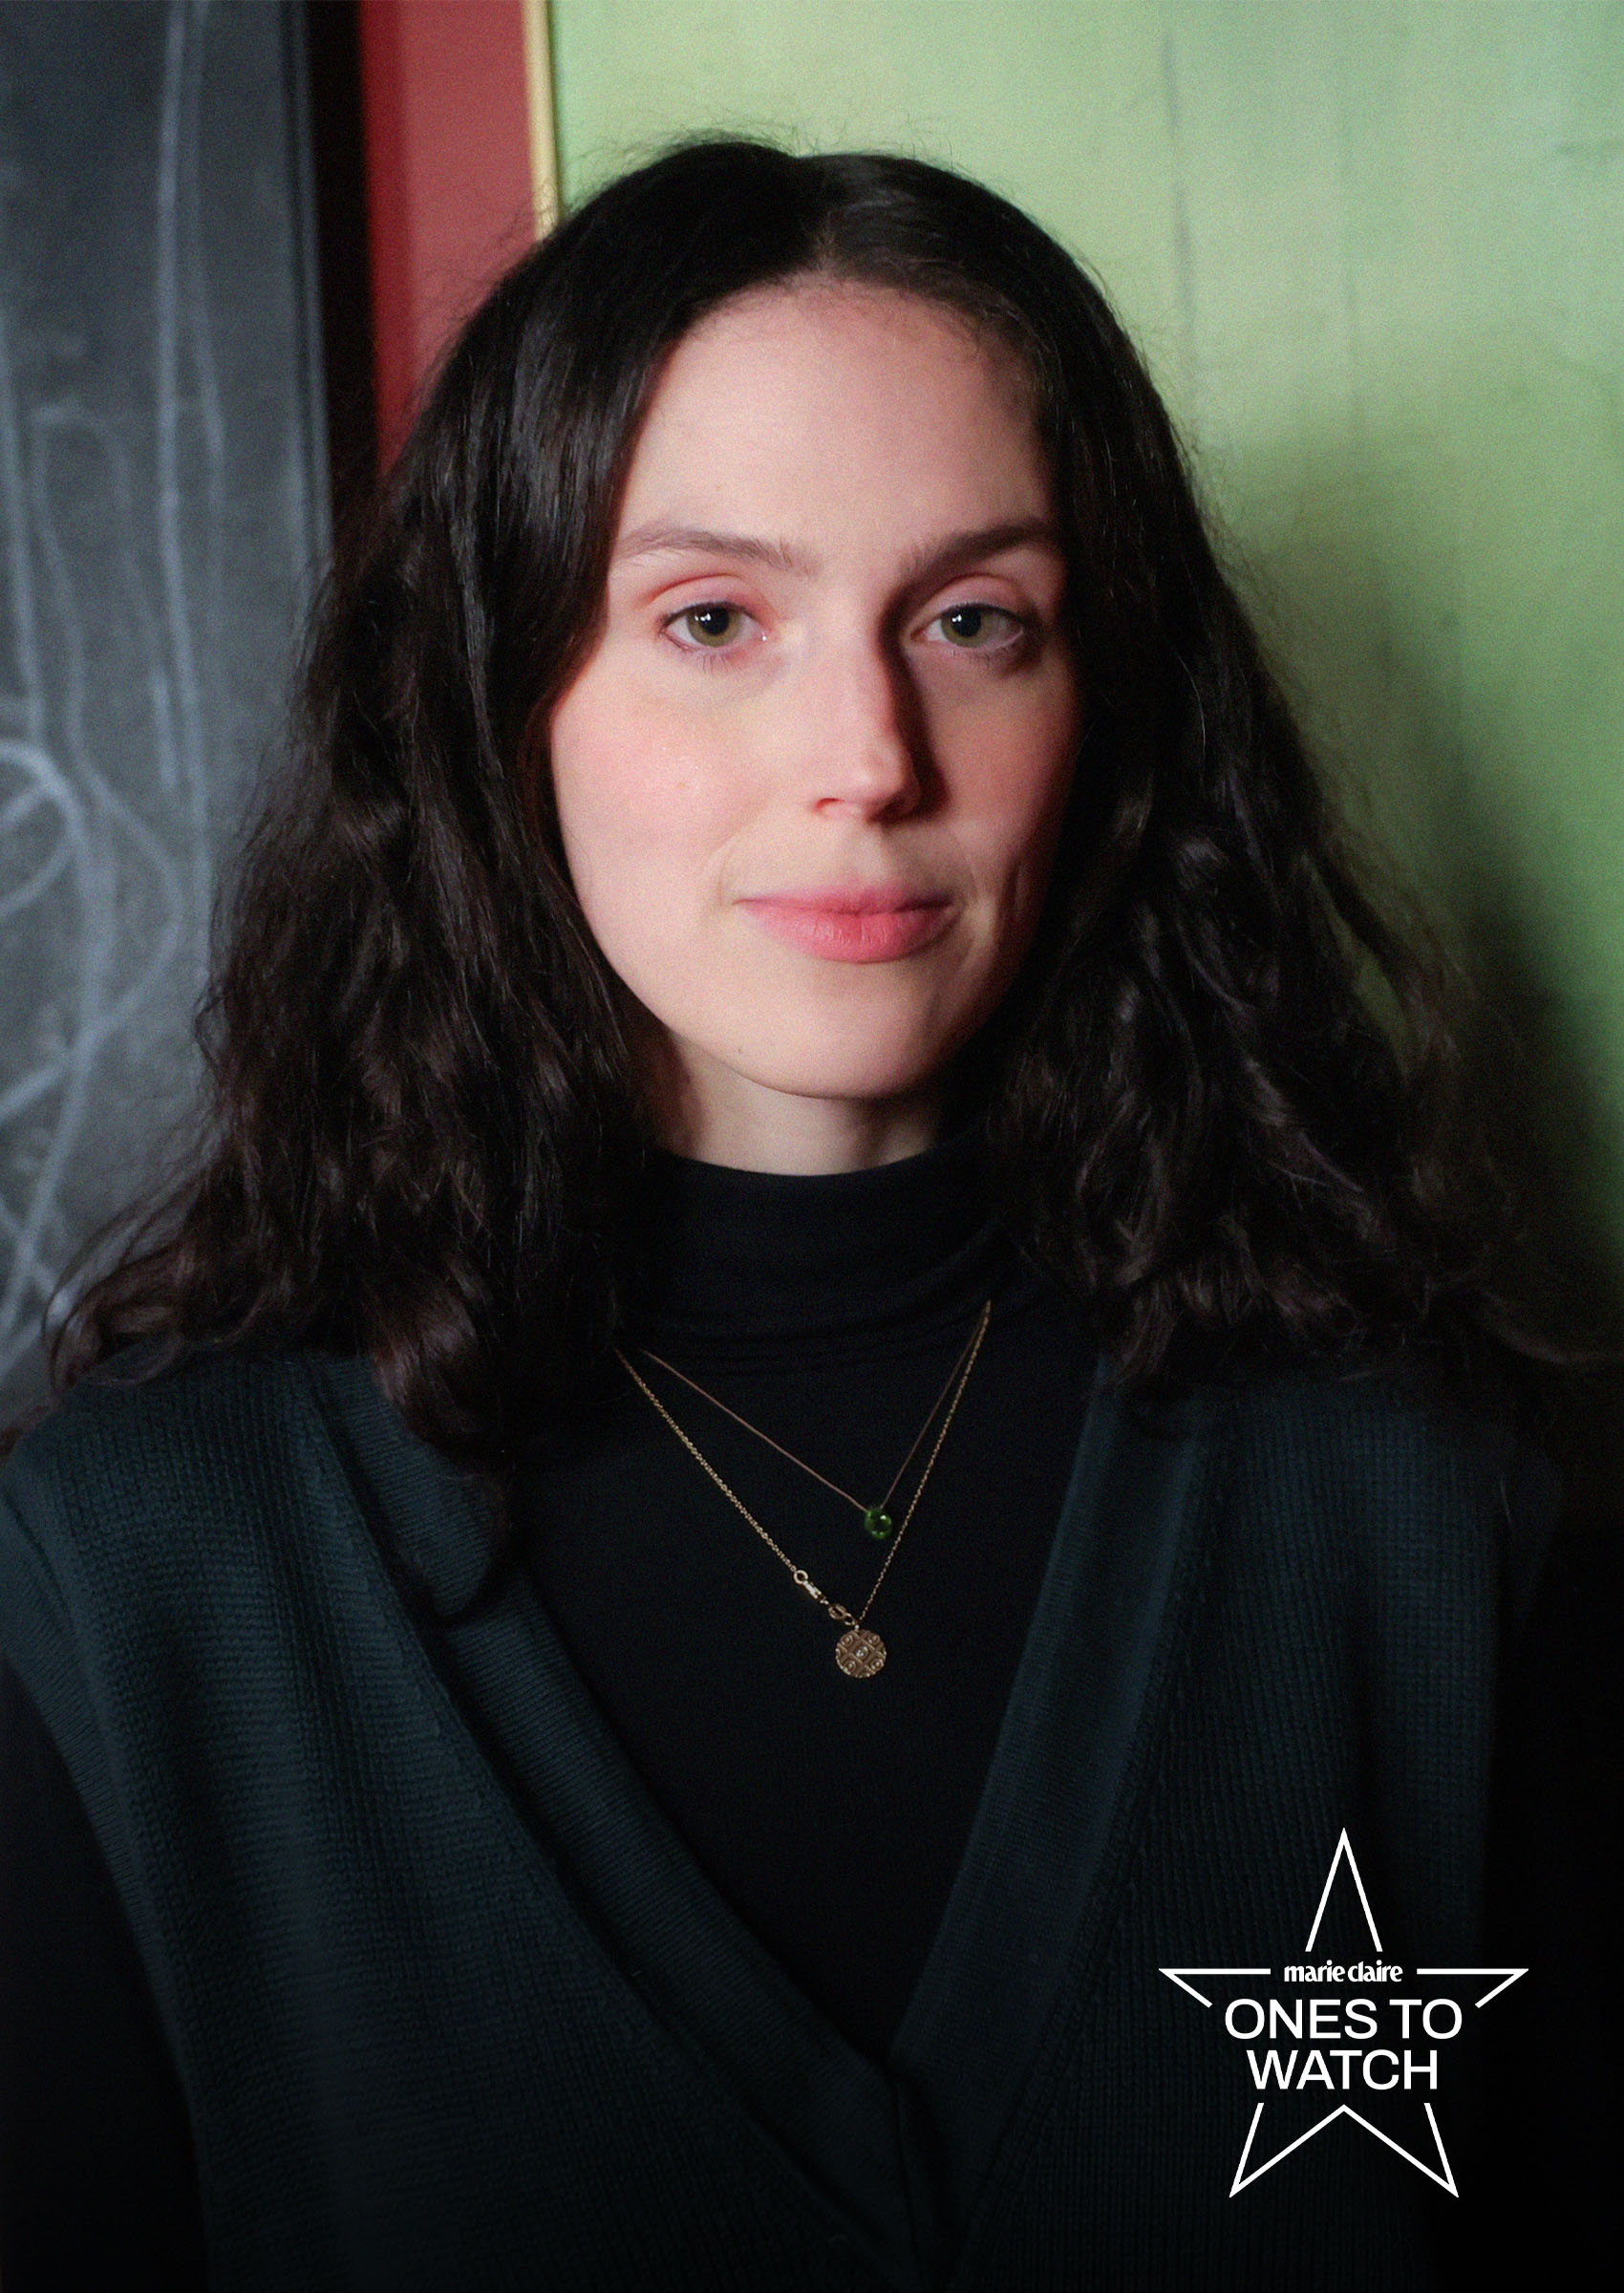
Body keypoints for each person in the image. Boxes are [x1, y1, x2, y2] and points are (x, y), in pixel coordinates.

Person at [0, 139, 1611, 2289]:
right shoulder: (133, 1585)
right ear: (504, 708)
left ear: (1100, 713)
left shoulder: (1424, 1519)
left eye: (970, 619)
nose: (864, 751)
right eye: (711, 621)